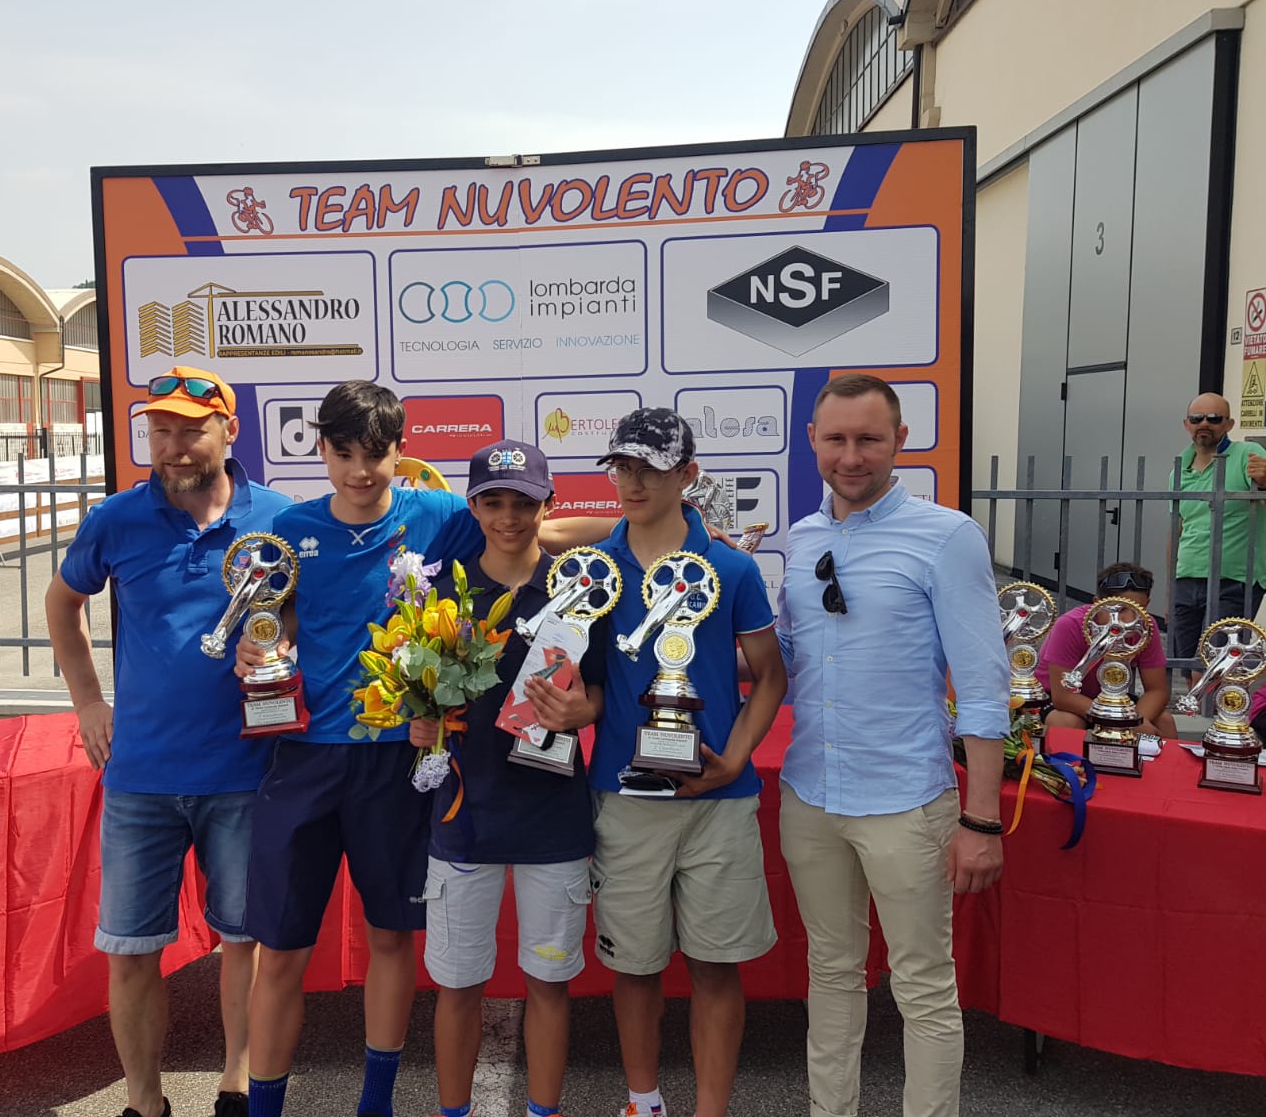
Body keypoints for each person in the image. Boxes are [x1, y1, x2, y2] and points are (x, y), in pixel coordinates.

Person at [239, 383, 619, 1117]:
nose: (359, 470)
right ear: (320, 450)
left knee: (391, 937)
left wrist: (655, 530)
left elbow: (536, 525)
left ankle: (376, 1104)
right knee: (280, 948)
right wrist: (259, 653)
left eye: (374, 454)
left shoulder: (441, 513)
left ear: (399, 451)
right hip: (305, 755)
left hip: (397, 758)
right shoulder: (290, 528)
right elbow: (274, 622)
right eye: (343, 454)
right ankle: (263, 1106)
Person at [45, 366, 291, 1117]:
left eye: (191, 430)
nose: (174, 446)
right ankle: (145, 1103)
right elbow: (63, 603)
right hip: (141, 778)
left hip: (245, 771)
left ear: (229, 430)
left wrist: (283, 654)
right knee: (130, 949)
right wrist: (89, 701)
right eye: (160, 431)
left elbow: (305, 622)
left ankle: (236, 1084)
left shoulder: (279, 520)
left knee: (243, 942)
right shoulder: (116, 520)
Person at [777, 374, 1009, 1117]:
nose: (851, 456)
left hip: (907, 802)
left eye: (869, 439)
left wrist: (980, 820)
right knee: (830, 972)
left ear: (900, 441)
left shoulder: (947, 537)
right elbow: (786, 661)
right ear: (812, 441)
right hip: (810, 796)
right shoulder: (801, 539)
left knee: (924, 988)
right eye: (837, 439)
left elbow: (983, 687)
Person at [586, 409, 789, 1117]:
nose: (633, 482)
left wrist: (733, 761)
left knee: (715, 966)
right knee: (635, 967)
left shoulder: (731, 567)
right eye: (622, 467)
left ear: (688, 474)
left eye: (650, 468)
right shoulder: (595, 569)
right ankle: (643, 1103)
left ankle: (710, 1110)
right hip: (625, 797)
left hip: (717, 803)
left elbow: (771, 676)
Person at [406, 439, 604, 1117]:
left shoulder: (579, 590)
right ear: (473, 506)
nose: (509, 517)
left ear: (549, 505)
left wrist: (585, 710)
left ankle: (545, 1110)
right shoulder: (443, 594)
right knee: (458, 987)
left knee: (548, 984)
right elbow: (417, 697)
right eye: (493, 502)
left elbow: (605, 689)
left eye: (524, 502)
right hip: (466, 817)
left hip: (554, 817)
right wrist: (420, 723)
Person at [1170, 393, 1266, 672]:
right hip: (1187, 578)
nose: (1204, 424)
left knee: (1218, 665)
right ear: (1186, 424)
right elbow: (1176, 530)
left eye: (1214, 418)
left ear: (1229, 424)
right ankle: (1195, 702)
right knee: (1188, 664)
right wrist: (1170, 589)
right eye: (1196, 418)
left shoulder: (1249, 455)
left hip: (1234, 580)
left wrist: (1264, 483)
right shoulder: (1179, 468)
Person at [1037, 562, 1174, 738]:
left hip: (1110, 697)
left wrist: (1137, 721)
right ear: (1097, 604)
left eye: (1138, 610)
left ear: (1147, 605)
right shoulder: (1070, 625)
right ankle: (1066, 758)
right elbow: (1063, 697)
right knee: (1067, 722)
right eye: (1120, 610)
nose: (1129, 620)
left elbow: (1157, 691)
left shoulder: (1146, 627)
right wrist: (1123, 722)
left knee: (1165, 721)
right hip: (1059, 699)